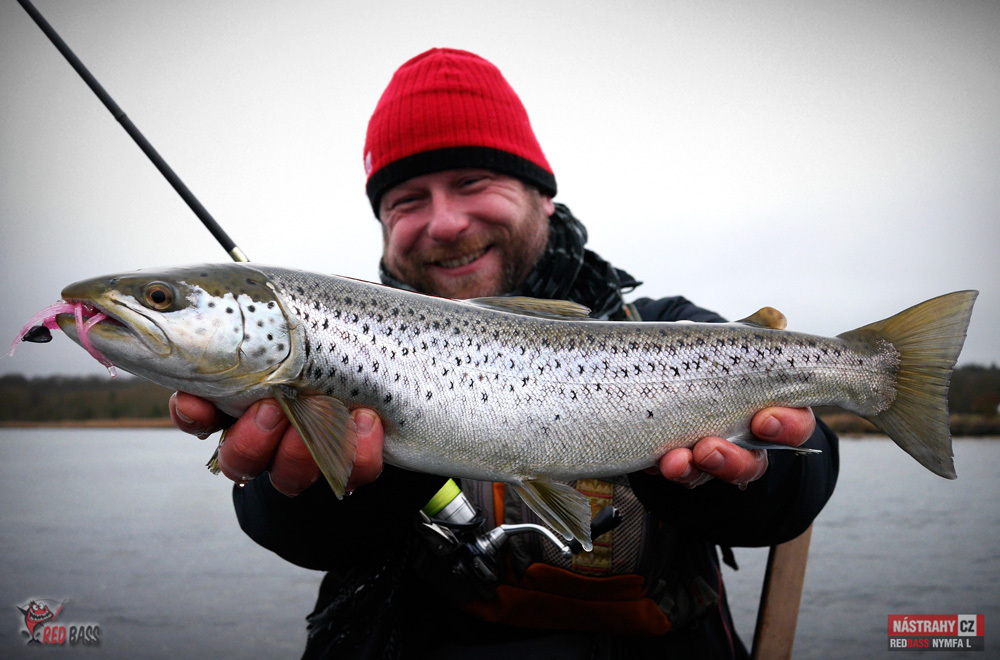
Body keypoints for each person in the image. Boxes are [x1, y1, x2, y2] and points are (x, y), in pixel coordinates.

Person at [170, 48, 838, 659]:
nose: (445, 222)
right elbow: (288, 530)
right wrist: (337, 489)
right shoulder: (326, 344)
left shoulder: (667, 330)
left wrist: (740, 482)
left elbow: (806, 472)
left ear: (542, 197)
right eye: (407, 200)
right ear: (384, 224)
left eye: (473, 182)